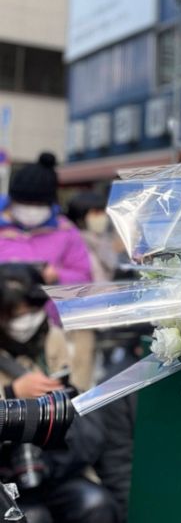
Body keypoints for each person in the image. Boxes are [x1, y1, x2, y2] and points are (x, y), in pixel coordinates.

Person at [0, 264, 120, 523]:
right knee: (32, 516)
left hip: (57, 464)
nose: (24, 322)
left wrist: (63, 395)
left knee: (95, 504)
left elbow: (84, 406)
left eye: (30, 311)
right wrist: (11, 394)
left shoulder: (56, 338)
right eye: (14, 315)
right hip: (7, 474)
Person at [0, 153, 92, 285]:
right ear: (12, 201)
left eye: (39, 204)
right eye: (24, 203)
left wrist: (57, 275)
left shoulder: (65, 231)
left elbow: (84, 276)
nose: (31, 210)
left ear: (51, 205)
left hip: (48, 303)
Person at [66, 193, 117, 283]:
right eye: (96, 212)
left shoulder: (104, 240)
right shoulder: (75, 244)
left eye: (103, 211)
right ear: (80, 217)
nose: (102, 216)